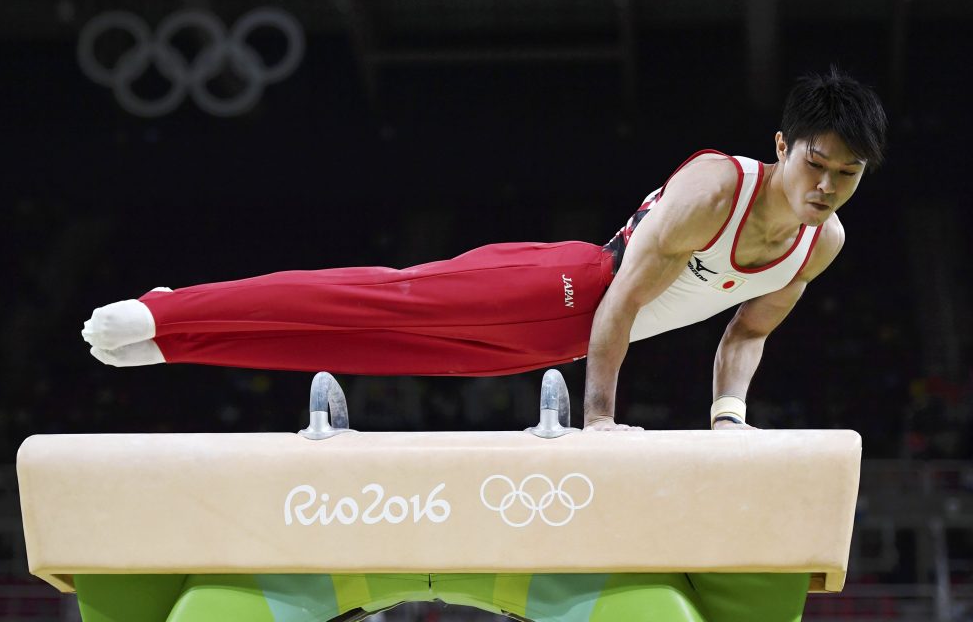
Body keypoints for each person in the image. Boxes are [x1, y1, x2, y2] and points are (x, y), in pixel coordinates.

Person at [82, 68, 887, 432]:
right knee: (378, 299)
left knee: (373, 349)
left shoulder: (822, 245)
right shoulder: (717, 186)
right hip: (564, 290)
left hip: (557, 345)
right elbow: (624, 298)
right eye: (816, 164)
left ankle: (177, 346)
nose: (826, 186)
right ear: (783, 146)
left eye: (846, 175)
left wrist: (728, 418)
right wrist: (600, 420)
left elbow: (748, 331)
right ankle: (168, 310)